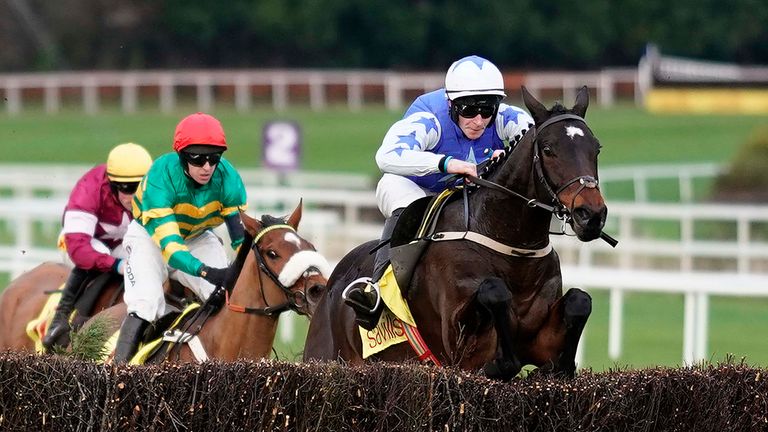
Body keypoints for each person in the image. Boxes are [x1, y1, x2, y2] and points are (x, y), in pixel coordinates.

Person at [342, 55, 535, 329]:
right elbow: (385, 156)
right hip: (413, 186)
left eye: (487, 109)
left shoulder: (507, 118)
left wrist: (513, 157)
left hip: (461, 195)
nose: (479, 120)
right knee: (413, 203)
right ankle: (376, 290)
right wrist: (447, 163)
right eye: (469, 110)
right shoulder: (429, 120)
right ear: (451, 104)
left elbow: (538, 147)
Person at [111, 112, 247, 363]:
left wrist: (239, 269)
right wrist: (207, 272)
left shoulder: (228, 179)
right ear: (182, 156)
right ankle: (118, 375)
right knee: (147, 303)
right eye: (197, 159)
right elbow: (172, 250)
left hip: (197, 236)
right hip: (150, 238)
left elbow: (241, 240)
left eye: (214, 158)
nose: (207, 167)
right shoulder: (161, 178)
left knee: (227, 298)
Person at [42, 142, 153, 350]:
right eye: (128, 189)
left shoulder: (154, 190)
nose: (135, 196)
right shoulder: (89, 189)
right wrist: (115, 264)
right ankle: (61, 318)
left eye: (140, 187)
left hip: (122, 242)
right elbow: (79, 249)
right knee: (96, 258)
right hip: (82, 243)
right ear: (111, 184)